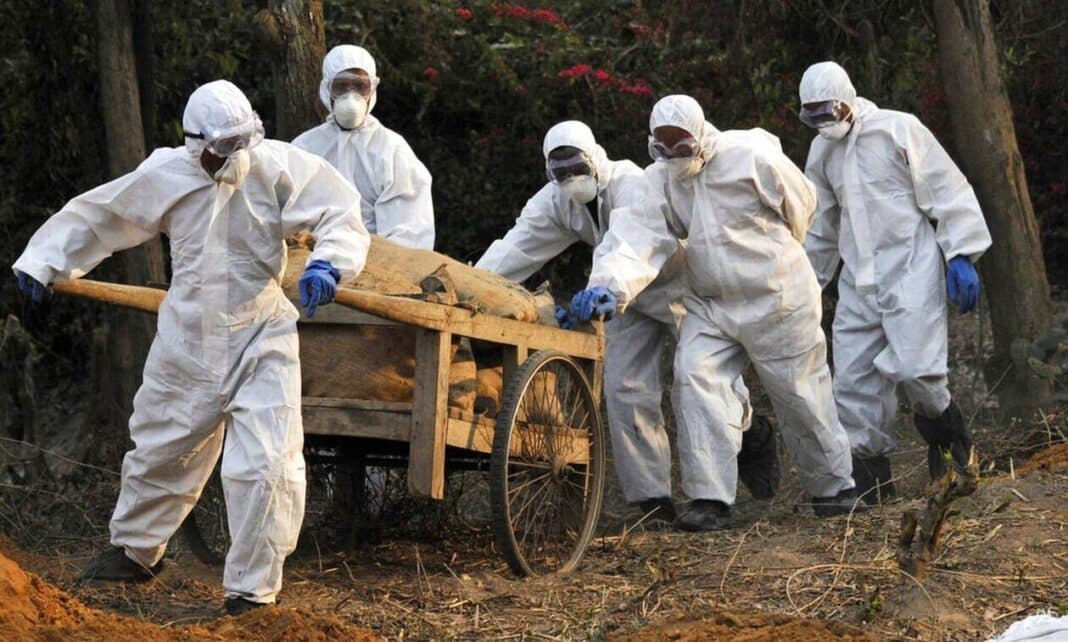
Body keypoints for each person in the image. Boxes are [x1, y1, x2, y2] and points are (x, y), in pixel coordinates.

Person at [12, 80, 370, 615]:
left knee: (268, 465)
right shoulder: (167, 174)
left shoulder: (273, 165)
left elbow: (339, 208)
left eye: (242, 142)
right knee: (160, 447)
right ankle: (135, 552)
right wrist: (44, 259)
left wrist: (330, 262)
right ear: (195, 143)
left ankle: (252, 591)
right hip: (188, 338)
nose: (235, 156)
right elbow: (104, 214)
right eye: (224, 146)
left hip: (261, 336)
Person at [573, 95, 862, 530]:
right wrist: (609, 286)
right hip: (710, 304)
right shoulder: (660, 179)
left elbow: (802, 204)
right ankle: (710, 499)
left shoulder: (750, 155)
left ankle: (833, 488)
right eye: (662, 148)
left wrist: (776, 255)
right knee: (694, 378)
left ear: (700, 135)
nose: (673, 156)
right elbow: (635, 235)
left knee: (801, 393)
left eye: (681, 146)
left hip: (777, 296)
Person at [476, 120, 696, 526]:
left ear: (595, 158)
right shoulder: (556, 200)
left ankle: (747, 437)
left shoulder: (630, 182)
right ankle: (653, 502)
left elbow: (630, 243)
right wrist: (472, 287)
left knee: (698, 380)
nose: (571, 178)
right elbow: (516, 248)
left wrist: (605, 287)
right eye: (560, 172)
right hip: (619, 300)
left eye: (578, 167)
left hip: (676, 287)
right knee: (625, 388)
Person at [798, 61, 991, 499]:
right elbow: (820, 226)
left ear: (846, 100)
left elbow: (946, 189)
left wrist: (960, 252)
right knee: (854, 382)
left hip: (910, 270)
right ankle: (871, 481)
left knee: (918, 370)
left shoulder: (898, 129)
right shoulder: (821, 153)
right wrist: (808, 284)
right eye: (813, 115)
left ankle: (949, 440)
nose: (823, 122)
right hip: (857, 280)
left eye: (828, 111)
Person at [293, 44, 435, 250]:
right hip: (313, 258)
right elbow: (291, 218)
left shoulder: (392, 151)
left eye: (360, 86)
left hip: (378, 262)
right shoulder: (304, 149)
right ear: (326, 89)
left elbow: (409, 233)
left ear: (372, 89)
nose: (351, 96)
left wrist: (368, 261)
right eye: (341, 87)